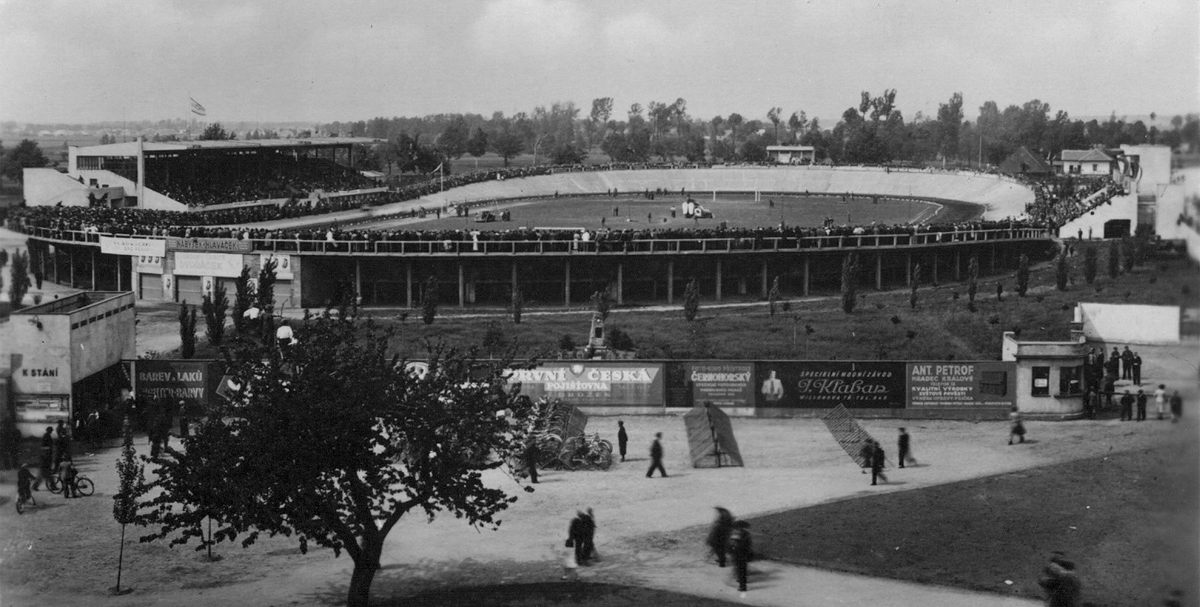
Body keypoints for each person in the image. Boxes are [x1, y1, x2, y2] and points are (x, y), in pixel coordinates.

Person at [729, 520, 753, 592]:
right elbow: (748, 544)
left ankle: (742, 587)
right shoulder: (746, 533)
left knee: (739, 569)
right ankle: (742, 582)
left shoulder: (736, 534)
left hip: (738, 554)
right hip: (744, 554)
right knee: (742, 569)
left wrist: (732, 549)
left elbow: (733, 544)